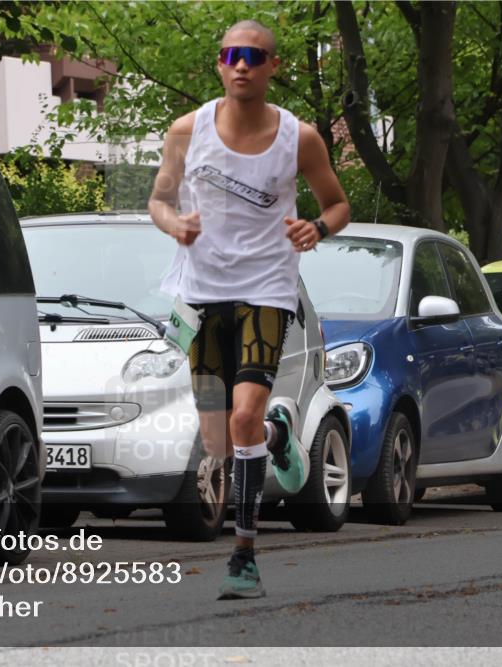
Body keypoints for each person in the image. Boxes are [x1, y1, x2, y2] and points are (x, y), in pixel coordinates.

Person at [148, 19, 350, 600]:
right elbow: (159, 201)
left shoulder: (299, 138)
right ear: (218, 63)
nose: (242, 64)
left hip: (267, 287)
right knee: (219, 438)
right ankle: (278, 433)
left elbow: (338, 204)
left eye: (254, 56)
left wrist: (316, 226)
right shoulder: (186, 132)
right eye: (232, 55)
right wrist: (174, 222)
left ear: (272, 67)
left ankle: (244, 555)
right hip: (201, 291)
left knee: (239, 421)